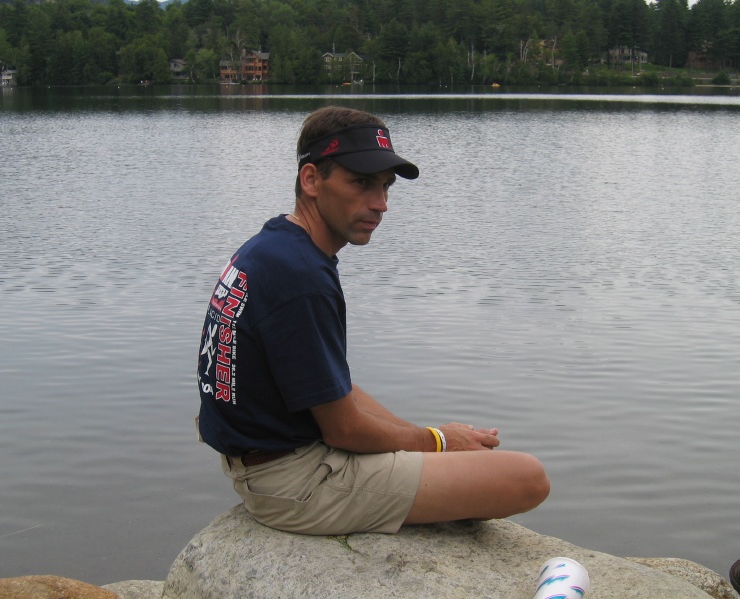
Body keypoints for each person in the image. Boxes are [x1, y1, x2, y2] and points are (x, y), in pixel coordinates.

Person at [196, 105, 550, 535]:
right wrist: (438, 442)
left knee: (465, 460)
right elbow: (343, 429)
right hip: (297, 484)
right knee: (526, 478)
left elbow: (331, 390)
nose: (380, 204)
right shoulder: (302, 276)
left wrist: (433, 441)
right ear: (311, 180)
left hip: (264, 466)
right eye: (362, 183)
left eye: (385, 187)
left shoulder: (272, 247)